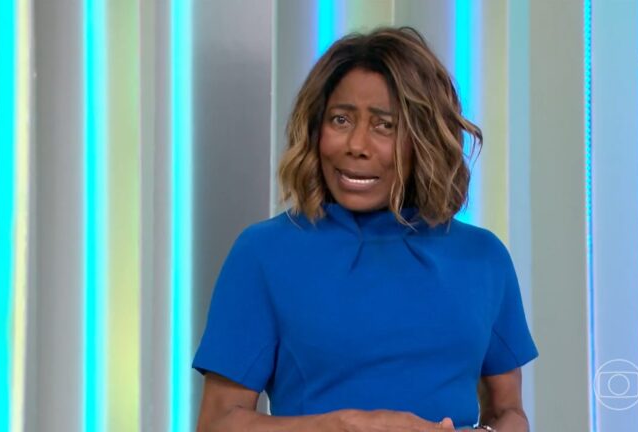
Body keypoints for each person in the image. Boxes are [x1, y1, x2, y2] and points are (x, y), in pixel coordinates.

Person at [192, 27, 538, 431]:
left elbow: (508, 413)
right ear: (316, 129)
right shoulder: (263, 253)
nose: (356, 145)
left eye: (384, 125)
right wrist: (342, 426)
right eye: (340, 120)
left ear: (424, 138)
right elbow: (218, 422)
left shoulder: (484, 258)